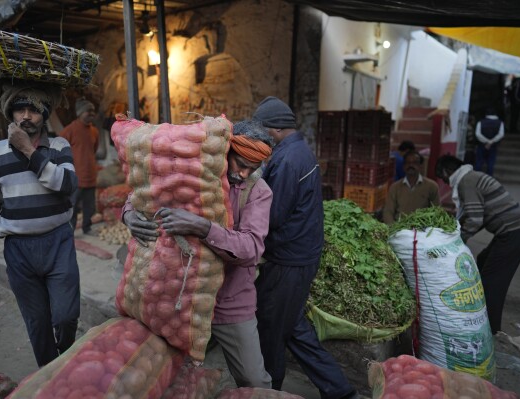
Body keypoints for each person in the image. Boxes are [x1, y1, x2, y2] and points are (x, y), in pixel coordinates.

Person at [122, 120, 273, 388]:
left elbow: (250, 249)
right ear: (225, 153)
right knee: (170, 372)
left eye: (253, 168)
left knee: (253, 379)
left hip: (230, 300)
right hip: (180, 296)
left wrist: (203, 227)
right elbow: (145, 193)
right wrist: (129, 215)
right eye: (239, 164)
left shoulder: (257, 192)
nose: (244, 173)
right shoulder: (195, 174)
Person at [252, 96, 358, 399]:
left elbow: (273, 215)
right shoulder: (297, 151)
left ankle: (271, 390)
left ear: (273, 131)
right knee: (293, 326)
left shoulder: (287, 159)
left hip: (289, 260)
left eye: (262, 133)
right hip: (298, 256)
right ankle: (340, 390)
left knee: (271, 328)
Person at [0, 80, 80, 367]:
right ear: (11, 115)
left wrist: (30, 153)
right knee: (37, 323)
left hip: (58, 242)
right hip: (19, 250)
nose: (25, 117)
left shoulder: (59, 146)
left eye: (33, 110)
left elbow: (69, 185)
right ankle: (49, 375)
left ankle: (66, 359)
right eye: (19, 110)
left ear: (44, 114)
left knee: (66, 316)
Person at [435, 155, 520, 335]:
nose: (446, 182)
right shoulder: (472, 176)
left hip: (515, 232)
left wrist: (457, 241)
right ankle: (480, 314)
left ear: (448, 171)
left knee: (493, 283)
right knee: (482, 260)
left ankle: (491, 331)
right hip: (515, 229)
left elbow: (475, 219)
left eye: (443, 177)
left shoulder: (467, 182)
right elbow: (480, 215)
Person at [60, 97, 100, 234]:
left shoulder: (94, 131)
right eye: (88, 111)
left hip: (91, 175)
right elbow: (59, 150)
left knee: (89, 206)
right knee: (73, 205)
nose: (91, 114)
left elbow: (93, 150)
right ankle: (69, 231)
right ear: (79, 113)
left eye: (93, 111)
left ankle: (87, 228)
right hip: (75, 177)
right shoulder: (69, 130)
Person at [383, 150, 439, 224]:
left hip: (422, 229)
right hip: (399, 228)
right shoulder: (395, 187)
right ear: (403, 166)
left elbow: (436, 211)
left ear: (420, 166)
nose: (411, 165)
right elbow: (388, 212)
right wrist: (393, 229)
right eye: (408, 163)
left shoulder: (432, 186)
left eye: (415, 163)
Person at [474, 108, 504, 176]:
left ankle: (476, 178)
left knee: (479, 162)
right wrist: (491, 142)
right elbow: (501, 134)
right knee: (491, 163)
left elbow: (478, 134)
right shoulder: (500, 122)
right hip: (493, 146)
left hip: (482, 145)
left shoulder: (480, 122)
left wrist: (486, 141)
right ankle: (489, 180)